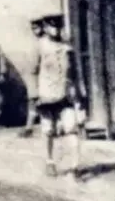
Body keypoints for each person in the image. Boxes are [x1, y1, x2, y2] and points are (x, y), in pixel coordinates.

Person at [34, 16, 85, 181]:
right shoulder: (40, 46)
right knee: (48, 130)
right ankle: (49, 161)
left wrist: (80, 93)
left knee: (71, 128)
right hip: (46, 95)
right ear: (46, 28)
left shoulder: (67, 47)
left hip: (66, 94)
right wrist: (35, 95)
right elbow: (33, 71)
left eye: (58, 26)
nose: (55, 30)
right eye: (51, 26)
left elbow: (76, 71)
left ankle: (75, 167)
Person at [19, 17, 45, 138]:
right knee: (33, 101)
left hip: (44, 75)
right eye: (33, 28)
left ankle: (32, 127)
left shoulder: (45, 41)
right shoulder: (35, 42)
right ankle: (29, 127)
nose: (35, 30)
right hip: (35, 76)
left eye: (37, 27)